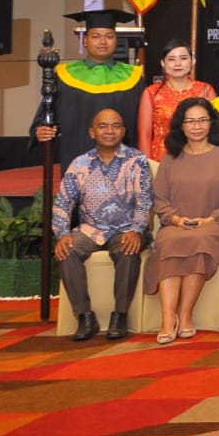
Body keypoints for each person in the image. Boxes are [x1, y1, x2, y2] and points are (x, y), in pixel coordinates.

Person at [54, 108, 153, 341]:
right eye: (103, 126)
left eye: (116, 125)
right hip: (91, 229)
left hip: (126, 229)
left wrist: (137, 230)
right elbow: (63, 201)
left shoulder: (137, 160)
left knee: (128, 250)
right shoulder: (79, 164)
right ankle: (84, 317)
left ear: (123, 131)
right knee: (67, 249)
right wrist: (62, 233)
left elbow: (145, 201)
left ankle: (120, 316)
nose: (110, 131)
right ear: (92, 132)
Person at [144, 98, 219, 343]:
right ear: (181, 126)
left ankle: (185, 315)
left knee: (199, 240)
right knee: (170, 242)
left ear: (211, 123)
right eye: (190, 121)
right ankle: (168, 318)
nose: (197, 126)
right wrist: (176, 219)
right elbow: (160, 199)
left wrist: (210, 219)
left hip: (214, 226)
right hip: (176, 224)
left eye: (202, 120)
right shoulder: (170, 159)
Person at [32, 9, 143, 168]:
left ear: (116, 40)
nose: (103, 41)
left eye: (109, 36)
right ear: (85, 40)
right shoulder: (65, 75)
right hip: (77, 159)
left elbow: (142, 125)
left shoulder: (133, 76)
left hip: (123, 163)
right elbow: (46, 116)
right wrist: (40, 131)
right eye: (96, 36)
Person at [136, 39, 216, 159]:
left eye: (183, 58)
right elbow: (144, 134)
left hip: (199, 157)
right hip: (162, 159)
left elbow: (214, 130)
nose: (177, 64)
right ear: (163, 63)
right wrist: (146, 164)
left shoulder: (206, 90)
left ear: (192, 61)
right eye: (171, 59)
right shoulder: (151, 93)